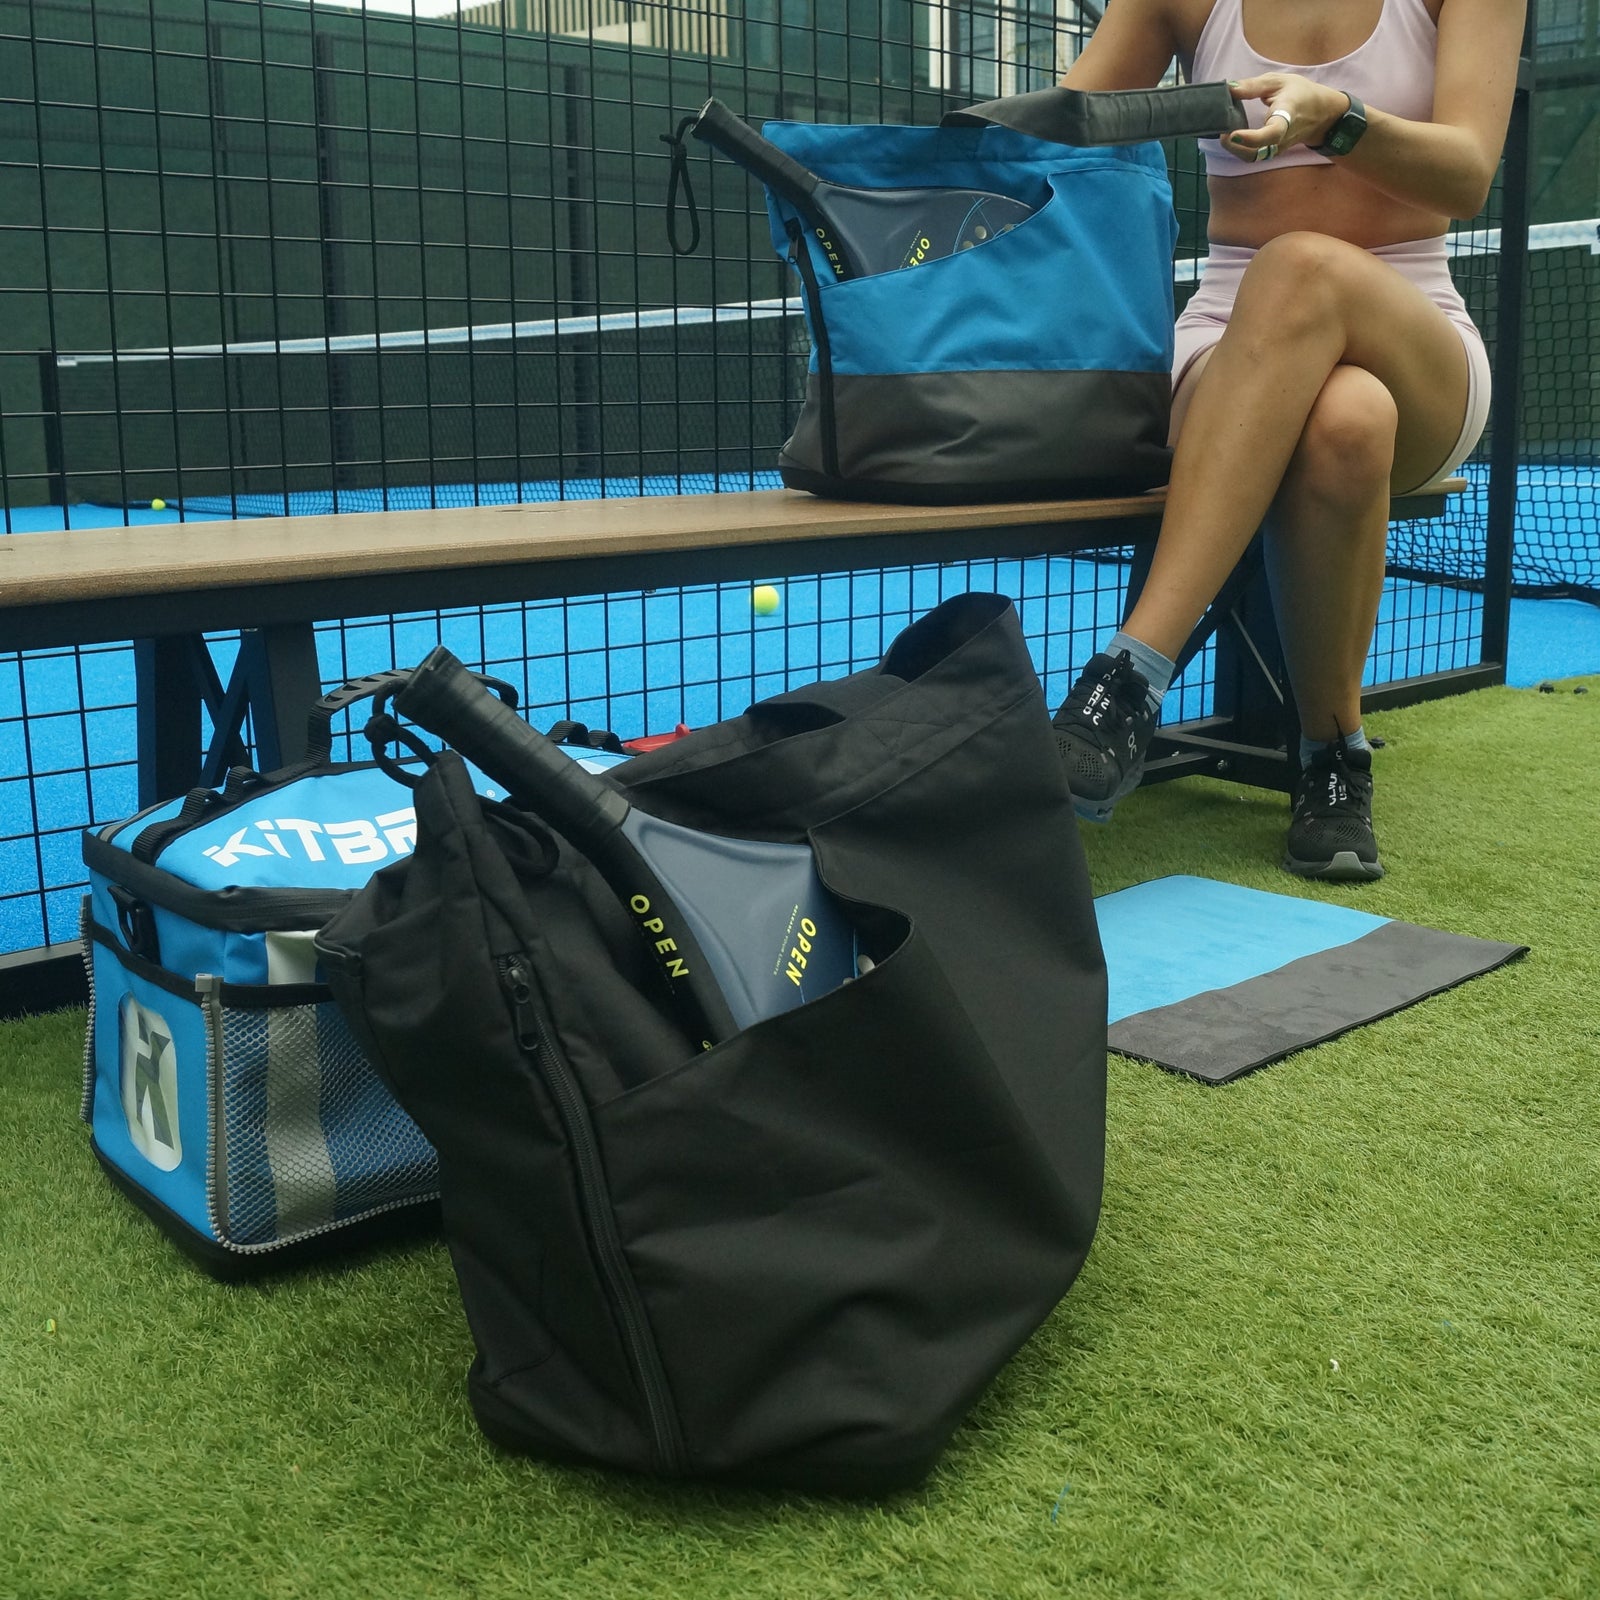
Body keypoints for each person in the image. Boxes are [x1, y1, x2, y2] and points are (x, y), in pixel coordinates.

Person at [1050, 0, 1526, 880]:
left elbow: (1465, 174)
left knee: (1300, 262)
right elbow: (1058, 130)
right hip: (1231, 335)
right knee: (1344, 422)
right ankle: (1332, 758)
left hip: (1414, 325)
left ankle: (1127, 676)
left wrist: (1337, 120)